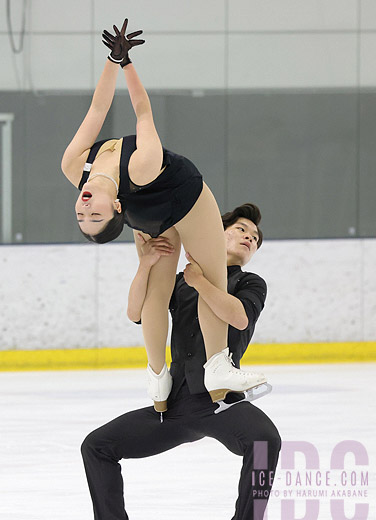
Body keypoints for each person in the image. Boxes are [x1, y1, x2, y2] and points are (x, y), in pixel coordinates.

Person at [61, 19, 267, 411]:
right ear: (116, 208)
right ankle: (217, 365)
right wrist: (128, 65)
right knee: (210, 273)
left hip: (146, 211)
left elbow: (98, 107)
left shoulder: (74, 167)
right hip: (183, 194)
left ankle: (158, 379)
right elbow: (142, 112)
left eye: (81, 215)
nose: (85, 208)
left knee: (160, 283)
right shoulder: (140, 164)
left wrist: (111, 58)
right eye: (95, 216)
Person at [76, 203, 283, 520]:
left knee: (265, 440)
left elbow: (237, 316)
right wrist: (146, 265)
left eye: (254, 238)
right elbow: (137, 311)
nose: (249, 238)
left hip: (219, 401)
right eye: (240, 229)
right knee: (97, 445)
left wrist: (202, 280)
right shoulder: (178, 282)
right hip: (174, 404)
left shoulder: (250, 283)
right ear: (215, 234)